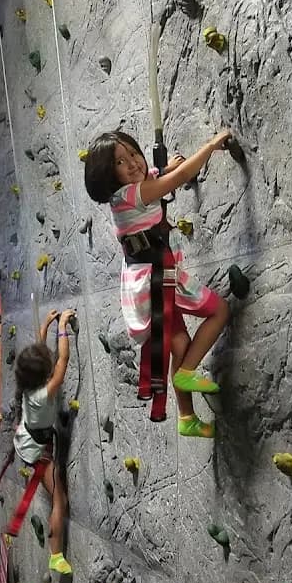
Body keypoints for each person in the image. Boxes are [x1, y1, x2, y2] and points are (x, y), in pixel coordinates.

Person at [84, 128, 231, 438]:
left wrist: (164, 167)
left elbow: (155, 175)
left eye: (134, 154)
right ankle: (186, 374)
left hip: (145, 277)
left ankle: (187, 417)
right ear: (109, 175)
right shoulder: (130, 195)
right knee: (219, 311)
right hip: (155, 279)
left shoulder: (132, 188)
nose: (134, 163)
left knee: (179, 342)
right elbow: (174, 180)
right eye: (121, 162)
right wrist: (210, 145)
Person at [6, 308, 76, 575]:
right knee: (60, 500)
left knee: (56, 493)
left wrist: (46, 326)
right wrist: (63, 326)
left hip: (27, 440)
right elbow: (63, 360)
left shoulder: (28, 385)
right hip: (38, 451)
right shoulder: (44, 393)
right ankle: (56, 555)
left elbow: (40, 355)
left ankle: (56, 553)